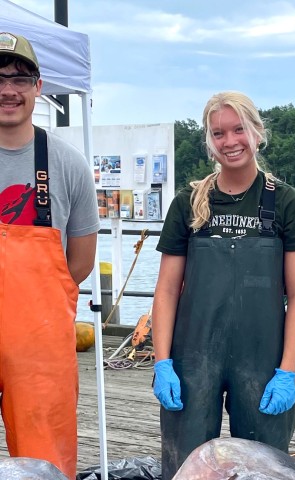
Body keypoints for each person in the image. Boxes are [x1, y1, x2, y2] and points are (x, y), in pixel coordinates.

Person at [152, 91, 295, 479]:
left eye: (239, 129)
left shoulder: (287, 204)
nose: (230, 142)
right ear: (209, 141)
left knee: (264, 464)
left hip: (262, 362)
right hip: (192, 360)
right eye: (219, 133)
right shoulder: (188, 203)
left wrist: (287, 371)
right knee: (185, 463)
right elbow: (166, 290)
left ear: (257, 133)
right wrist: (162, 362)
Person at [0, 33, 99, 479]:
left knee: (45, 463)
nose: (8, 90)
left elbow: (79, 263)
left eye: (20, 78)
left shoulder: (67, 163)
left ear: (39, 87)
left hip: (40, 347)